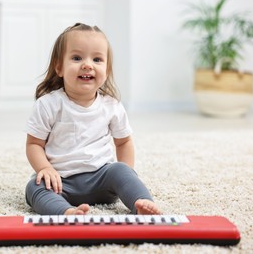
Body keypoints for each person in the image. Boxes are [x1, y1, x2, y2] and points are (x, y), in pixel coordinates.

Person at [25, 23, 161, 216]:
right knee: (34, 187)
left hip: (102, 181)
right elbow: (33, 144)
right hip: (61, 183)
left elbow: (124, 142)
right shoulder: (48, 104)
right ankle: (65, 212)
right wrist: (45, 168)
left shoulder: (111, 106)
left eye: (97, 59)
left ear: (107, 70)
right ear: (59, 67)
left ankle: (141, 202)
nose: (87, 64)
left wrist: (126, 175)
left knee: (120, 171)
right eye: (77, 58)